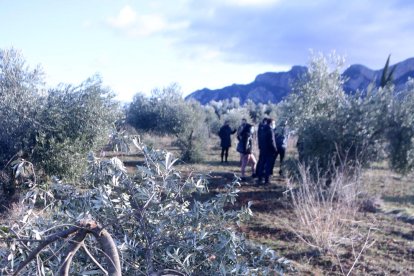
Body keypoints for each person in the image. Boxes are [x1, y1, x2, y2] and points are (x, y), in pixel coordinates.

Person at [256, 118, 277, 185]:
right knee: (268, 165)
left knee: (262, 164)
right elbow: (272, 141)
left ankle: (260, 178)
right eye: (274, 123)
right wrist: (275, 149)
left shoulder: (263, 129)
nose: (274, 124)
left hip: (263, 149)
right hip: (269, 150)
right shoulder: (270, 130)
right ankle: (267, 180)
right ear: (271, 123)